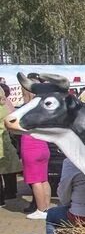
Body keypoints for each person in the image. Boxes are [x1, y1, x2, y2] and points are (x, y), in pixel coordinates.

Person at [18, 74, 52, 219]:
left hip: (30, 146)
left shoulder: (26, 108)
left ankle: (41, 209)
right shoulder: (44, 107)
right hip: (43, 145)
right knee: (44, 179)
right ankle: (46, 207)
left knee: (35, 180)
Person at [0, 83, 22, 207]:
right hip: (7, 140)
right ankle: (11, 192)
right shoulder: (6, 105)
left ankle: (1, 198)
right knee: (9, 169)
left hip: (2, 140)